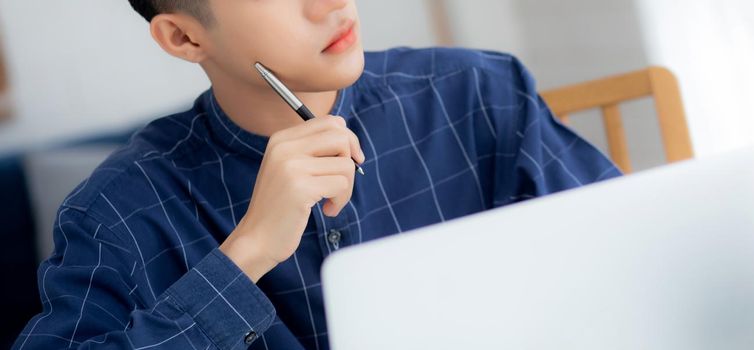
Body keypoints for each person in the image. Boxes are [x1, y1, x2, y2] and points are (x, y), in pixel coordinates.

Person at [14, 1, 622, 349]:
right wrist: (245, 255)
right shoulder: (118, 212)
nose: (329, 2)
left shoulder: (480, 93)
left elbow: (629, 259)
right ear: (182, 35)